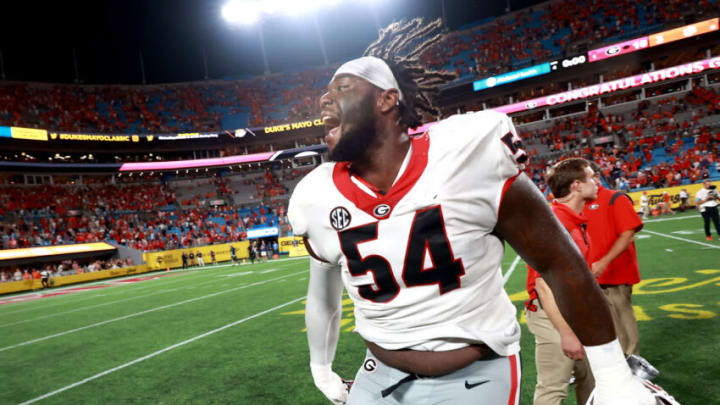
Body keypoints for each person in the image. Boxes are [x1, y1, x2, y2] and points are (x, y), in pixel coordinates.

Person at [288, 18, 659, 405]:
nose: (324, 100)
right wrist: (321, 367)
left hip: (477, 375)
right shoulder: (316, 194)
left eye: (342, 88)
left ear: (387, 99)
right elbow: (322, 296)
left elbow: (559, 262)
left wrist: (613, 374)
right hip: (376, 376)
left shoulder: (466, 154)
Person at [525, 158, 597, 405]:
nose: (597, 182)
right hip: (553, 316)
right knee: (553, 389)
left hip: (574, 312)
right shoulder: (555, 221)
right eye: (592, 177)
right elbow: (543, 286)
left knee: (590, 379)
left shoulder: (571, 218)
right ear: (576, 185)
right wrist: (566, 333)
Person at [583, 163, 644, 357]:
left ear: (597, 177)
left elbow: (628, 235)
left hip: (617, 270)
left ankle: (633, 357)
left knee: (622, 311)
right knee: (608, 317)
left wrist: (604, 261)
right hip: (593, 272)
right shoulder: (581, 202)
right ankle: (619, 356)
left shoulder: (615, 198)